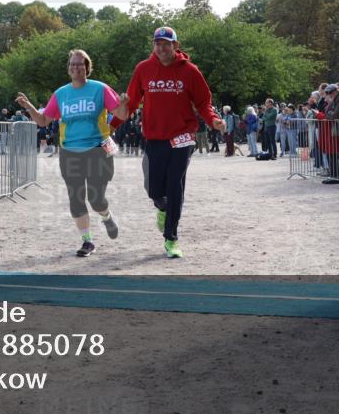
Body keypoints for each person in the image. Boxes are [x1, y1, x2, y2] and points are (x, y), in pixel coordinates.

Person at [111, 26, 225, 259]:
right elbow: (130, 103)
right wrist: (111, 126)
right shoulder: (143, 69)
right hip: (154, 136)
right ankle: (162, 208)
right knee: (153, 189)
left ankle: (171, 237)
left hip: (183, 136)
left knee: (175, 185)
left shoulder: (190, 71)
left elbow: (204, 102)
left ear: (175, 45)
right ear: (153, 46)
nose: (162, 48)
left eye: (166, 43)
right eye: (158, 43)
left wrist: (213, 120)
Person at [15, 49, 125, 257]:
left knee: (96, 198)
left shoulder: (100, 89)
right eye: (72, 64)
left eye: (80, 64)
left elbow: (120, 113)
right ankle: (87, 241)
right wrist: (28, 105)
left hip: (97, 150)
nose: (76, 67)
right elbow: (43, 121)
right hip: (69, 152)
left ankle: (106, 216)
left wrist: (124, 104)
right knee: (75, 198)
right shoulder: (61, 94)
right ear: (68, 69)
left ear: (87, 68)